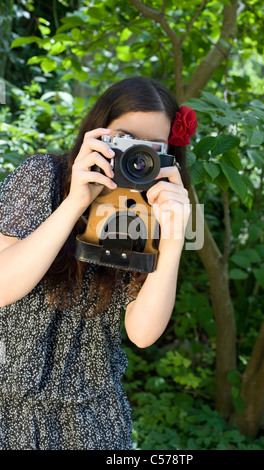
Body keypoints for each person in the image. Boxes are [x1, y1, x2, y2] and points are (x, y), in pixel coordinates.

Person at [0, 76, 197, 450]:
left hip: (93, 417)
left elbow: (142, 334)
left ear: (168, 154)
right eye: (122, 141)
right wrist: (75, 201)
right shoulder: (43, 176)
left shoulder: (167, 206)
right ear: (96, 131)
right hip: (8, 408)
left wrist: (172, 245)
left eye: (149, 148)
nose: (134, 157)